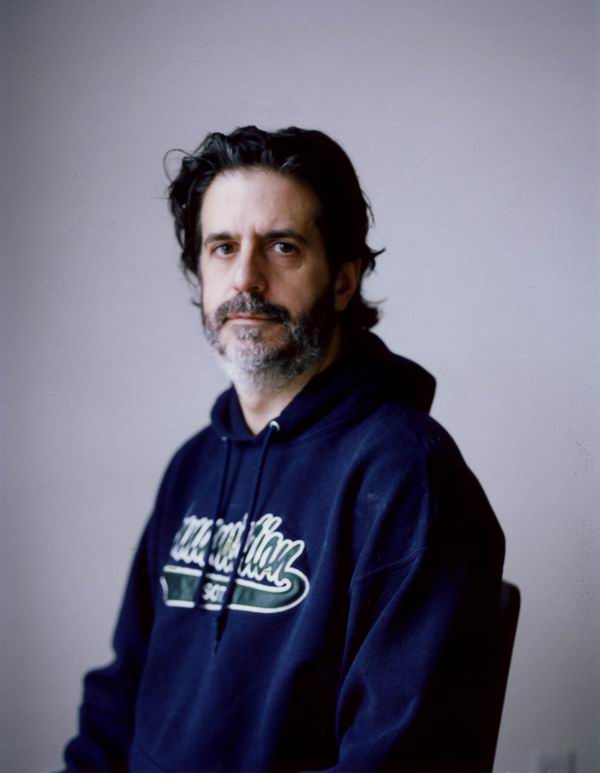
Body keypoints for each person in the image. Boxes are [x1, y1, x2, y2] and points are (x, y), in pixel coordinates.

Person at [63, 126, 505, 772]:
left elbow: (397, 759)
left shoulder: (409, 475)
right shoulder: (193, 465)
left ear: (343, 281)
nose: (246, 277)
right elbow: (120, 690)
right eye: (222, 247)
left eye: (282, 246)